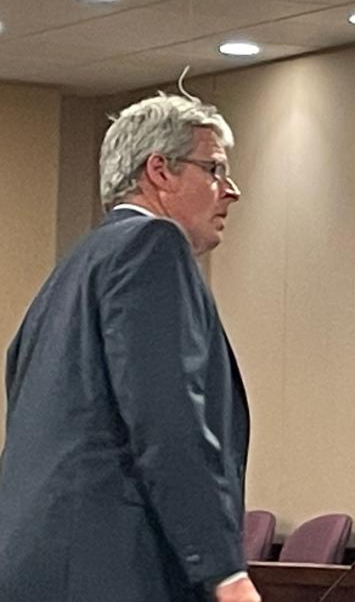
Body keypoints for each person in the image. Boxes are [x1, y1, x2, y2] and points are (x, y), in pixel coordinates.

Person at [0, 92, 260, 602]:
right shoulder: (152, 246)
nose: (230, 191)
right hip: (116, 567)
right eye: (214, 169)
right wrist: (224, 570)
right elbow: (169, 417)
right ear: (159, 170)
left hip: (38, 564)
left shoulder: (70, 272)